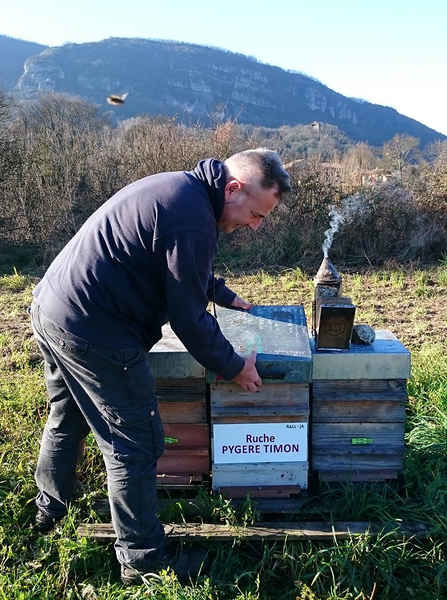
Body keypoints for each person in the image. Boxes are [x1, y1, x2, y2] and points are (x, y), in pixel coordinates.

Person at [28, 148, 291, 584]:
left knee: (68, 415)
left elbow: (173, 263)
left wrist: (223, 295)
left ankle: (49, 508)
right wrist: (234, 367)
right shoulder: (192, 218)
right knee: (134, 442)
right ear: (233, 188)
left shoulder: (181, 191)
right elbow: (189, 317)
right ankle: (142, 561)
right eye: (256, 214)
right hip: (97, 330)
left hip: (54, 309)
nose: (255, 225)